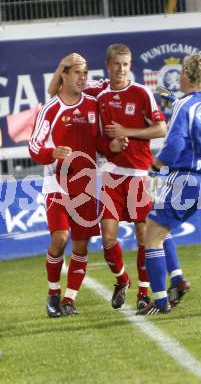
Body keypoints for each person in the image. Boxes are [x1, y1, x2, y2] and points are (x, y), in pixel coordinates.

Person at [48, 44, 167, 310]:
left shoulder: (141, 92)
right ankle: (122, 279)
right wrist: (62, 65)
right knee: (108, 237)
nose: (122, 69)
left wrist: (127, 130)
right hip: (111, 174)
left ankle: (143, 293)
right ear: (108, 65)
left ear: (130, 65)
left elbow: (161, 128)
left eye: (126, 64)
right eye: (117, 64)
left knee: (142, 235)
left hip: (137, 174)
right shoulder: (99, 90)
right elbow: (56, 90)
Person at [29, 60, 128, 317]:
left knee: (81, 246)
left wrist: (111, 148)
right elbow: (34, 145)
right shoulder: (50, 108)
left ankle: (69, 299)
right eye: (77, 73)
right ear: (64, 75)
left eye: (85, 73)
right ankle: (53, 293)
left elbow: (98, 141)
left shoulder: (92, 103)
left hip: (85, 182)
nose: (83, 78)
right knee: (60, 238)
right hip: (56, 182)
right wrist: (52, 152)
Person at [137, 53, 201, 315]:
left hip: (184, 177)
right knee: (158, 228)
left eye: (182, 71)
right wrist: (173, 101)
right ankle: (176, 281)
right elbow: (194, 122)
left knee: (151, 237)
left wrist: (154, 166)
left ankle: (160, 302)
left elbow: (175, 143)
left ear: (186, 74)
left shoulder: (184, 105)